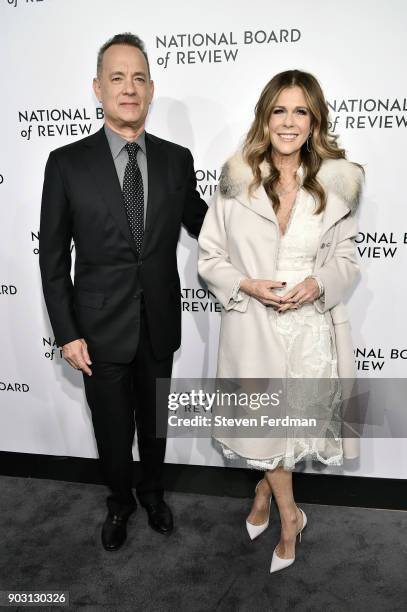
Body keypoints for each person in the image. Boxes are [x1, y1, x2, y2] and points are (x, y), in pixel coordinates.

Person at [39, 33, 207, 551]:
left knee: (154, 427)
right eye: (117, 78)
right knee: (113, 433)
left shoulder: (177, 160)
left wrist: (265, 209)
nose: (128, 88)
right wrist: (67, 333)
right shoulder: (66, 163)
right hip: (98, 329)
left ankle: (154, 493)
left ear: (151, 89)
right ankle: (119, 503)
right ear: (98, 88)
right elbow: (51, 258)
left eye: (138, 78)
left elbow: (205, 225)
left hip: (158, 322)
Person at [198, 69, 363, 573]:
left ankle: (263, 493)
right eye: (279, 110)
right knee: (267, 426)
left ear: (314, 120)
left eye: (300, 111)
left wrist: (319, 283)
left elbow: (349, 260)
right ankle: (291, 516)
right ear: (265, 117)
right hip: (254, 325)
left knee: (286, 432)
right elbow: (209, 257)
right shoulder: (236, 179)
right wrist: (247, 283)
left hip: (311, 328)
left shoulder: (339, 183)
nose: (288, 122)